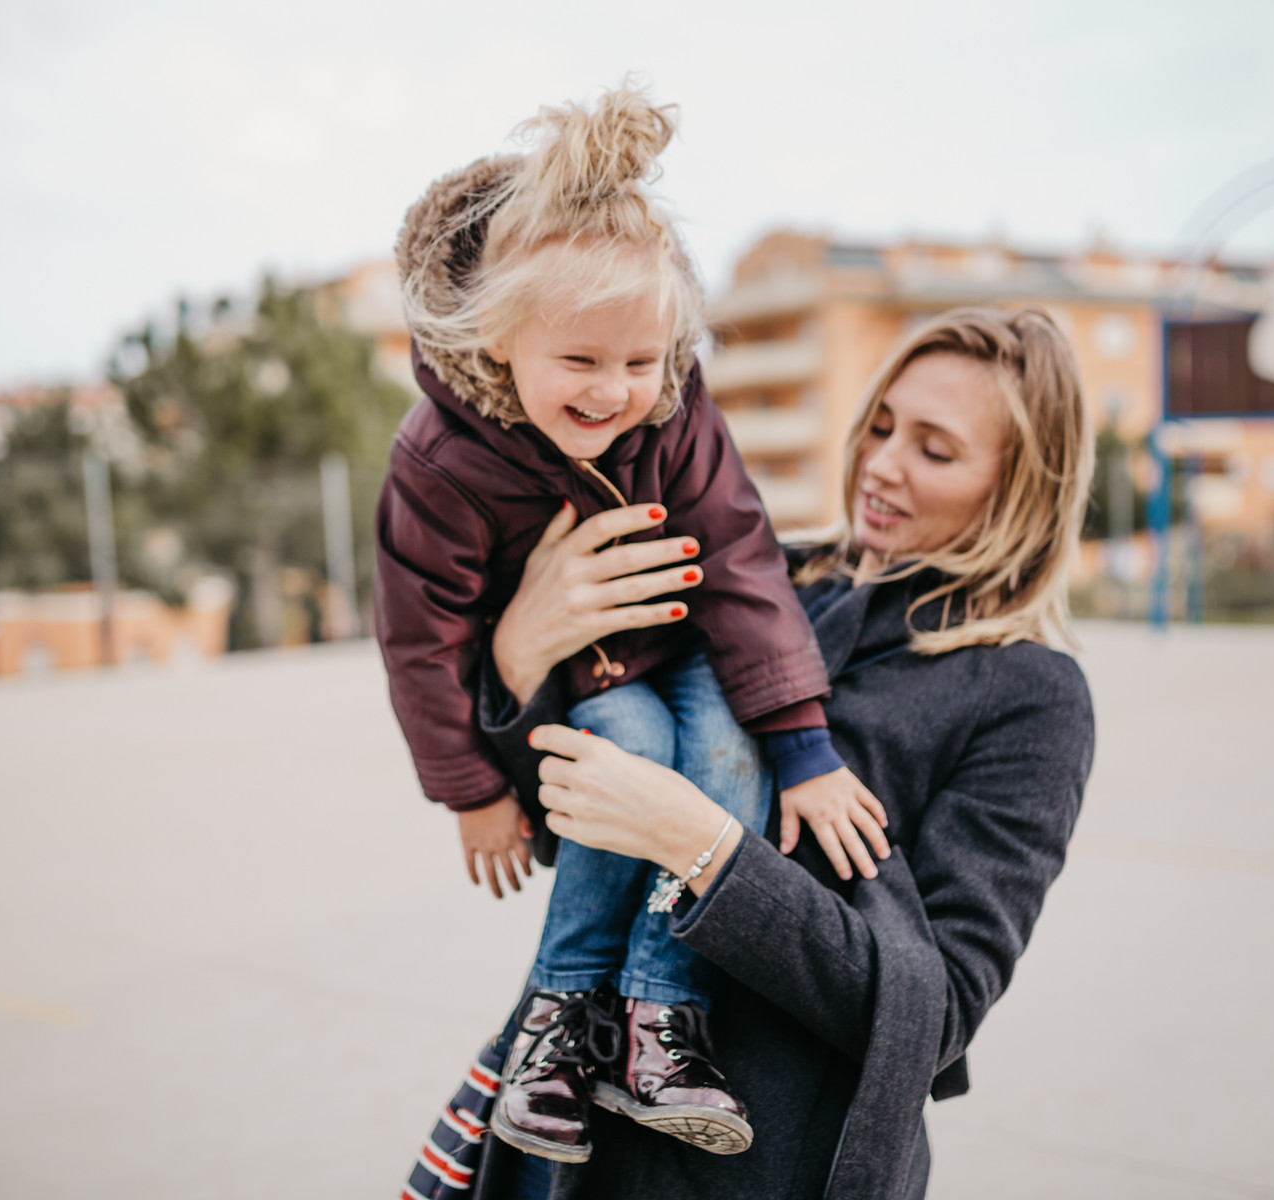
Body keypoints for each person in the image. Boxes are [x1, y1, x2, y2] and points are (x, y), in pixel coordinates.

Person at [455, 306, 1097, 1200]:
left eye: (935, 450)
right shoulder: (762, 577)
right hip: (562, 1132)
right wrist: (521, 661)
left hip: (751, 1169)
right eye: (879, 425)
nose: (881, 463)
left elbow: (937, 1015)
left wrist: (705, 847)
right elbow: (574, 827)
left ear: (1023, 485)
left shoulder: (1031, 693)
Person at [375, 81, 892, 1170]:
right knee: (640, 749)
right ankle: (559, 1027)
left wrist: (802, 746)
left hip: (694, 639)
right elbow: (421, 634)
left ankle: (663, 1023)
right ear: (499, 339)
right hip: (585, 675)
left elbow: (744, 556)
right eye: (581, 362)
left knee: (720, 749)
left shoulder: (674, 409)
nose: (618, 393)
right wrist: (470, 791)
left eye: (641, 361)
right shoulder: (440, 462)